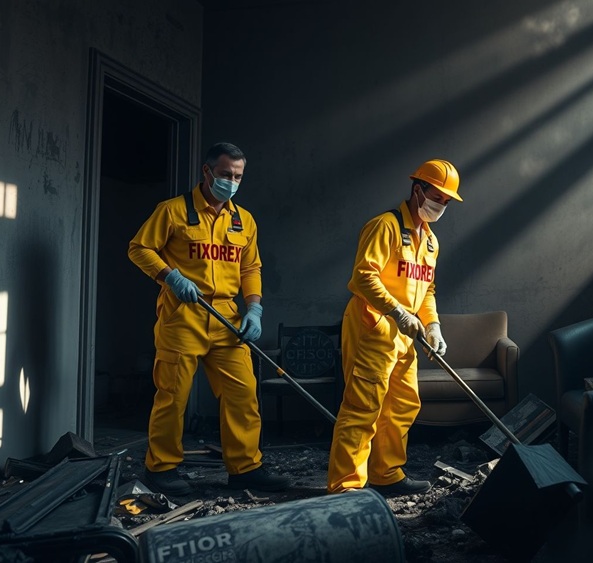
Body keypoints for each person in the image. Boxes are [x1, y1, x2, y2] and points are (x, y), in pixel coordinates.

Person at [128, 142, 290, 495]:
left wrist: (255, 309)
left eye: (237, 176)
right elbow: (139, 248)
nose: (231, 182)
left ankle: (245, 467)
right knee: (173, 396)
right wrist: (170, 276)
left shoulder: (243, 220)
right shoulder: (172, 211)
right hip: (183, 316)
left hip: (227, 318)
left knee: (243, 394)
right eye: (225, 174)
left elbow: (251, 267)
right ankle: (162, 468)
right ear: (206, 172)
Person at [327, 159, 462, 496]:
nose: (441, 205)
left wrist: (433, 327)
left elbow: (427, 290)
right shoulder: (384, 226)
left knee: (402, 405)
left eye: (447, 201)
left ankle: (387, 475)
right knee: (363, 408)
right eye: (437, 197)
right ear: (418, 190)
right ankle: (346, 489)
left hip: (406, 335)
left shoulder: (431, 242)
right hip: (372, 327)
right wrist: (398, 312)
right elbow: (363, 276)